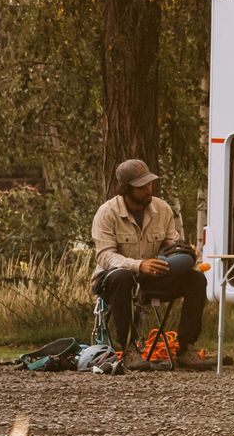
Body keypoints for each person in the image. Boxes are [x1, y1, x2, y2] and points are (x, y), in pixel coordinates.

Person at [91, 158, 215, 370]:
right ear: (126, 189)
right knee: (122, 277)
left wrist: (185, 252)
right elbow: (105, 256)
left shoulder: (162, 209)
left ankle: (186, 348)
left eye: (149, 183)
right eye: (142, 186)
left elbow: (171, 245)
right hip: (113, 280)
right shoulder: (107, 212)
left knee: (196, 279)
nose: (149, 189)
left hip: (152, 277)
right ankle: (129, 350)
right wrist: (139, 265)